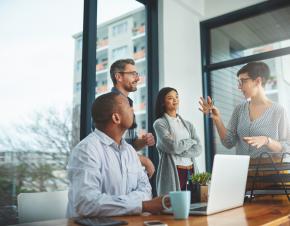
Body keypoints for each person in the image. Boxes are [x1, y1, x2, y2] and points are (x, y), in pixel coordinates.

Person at [66, 93, 168, 218]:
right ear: (116, 118)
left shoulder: (130, 151)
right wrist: (142, 206)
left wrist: (124, 204)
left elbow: (146, 190)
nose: (132, 109)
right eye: (128, 106)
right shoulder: (86, 150)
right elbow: (87, 203)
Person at [199, 61, 290, 158]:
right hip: (243, 170)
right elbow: (228, 143)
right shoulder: (239, 109)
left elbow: (286, 149)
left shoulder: (279, 111)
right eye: (239, 82)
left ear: (258, 81)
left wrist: (267, 140)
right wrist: (217, 119)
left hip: (269, 171)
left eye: (243, 81)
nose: (239, 86)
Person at [110, 59, 155, 178]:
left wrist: (144, 141)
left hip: (126, 170)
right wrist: (143, 160)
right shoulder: (110, 104)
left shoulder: (128, 103)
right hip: (113, 171)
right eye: (133, 74)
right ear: (118, 76)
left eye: (137, 74)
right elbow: (110, 146)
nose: (137, 78)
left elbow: (132, 143)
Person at [153, 87, 202, 196]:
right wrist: (190, 141)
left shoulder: (188, 124)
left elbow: (199, 149)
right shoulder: (160, 123)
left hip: (191, 170)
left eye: (176, 97)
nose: (175, 100)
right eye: (170, 98)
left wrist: (180, 148)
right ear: (163, 103)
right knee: (173, 206)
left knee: (193, 204)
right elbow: (173, 147)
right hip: (174, 170)